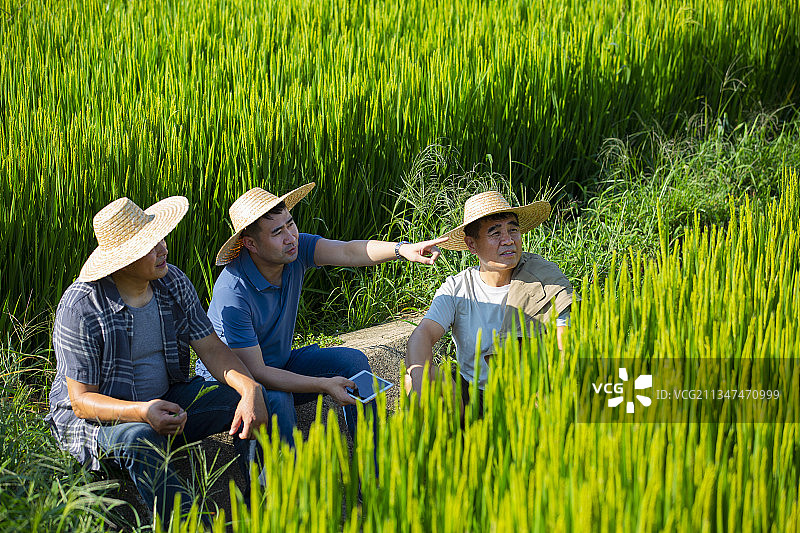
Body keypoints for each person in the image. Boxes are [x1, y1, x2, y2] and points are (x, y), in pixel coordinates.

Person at [46, 196, 269, 522]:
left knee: (249, 400)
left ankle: (263, 511)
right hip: (101, 423)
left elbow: (212, 349)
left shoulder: (172, 281)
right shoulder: (81, 307)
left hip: (166, 399)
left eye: (161, 237)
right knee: (142, 438)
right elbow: (81, 402)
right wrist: (141, 412)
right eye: (151, 245)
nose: (163, 248)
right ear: (122, 259)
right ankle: (192, 527)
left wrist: (249, 388)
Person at [195, 183, 444, 445]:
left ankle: (373, 468)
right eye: (277, 232)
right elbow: (257, 372)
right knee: (279, 399)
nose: (290, 237)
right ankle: (286, 482)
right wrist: (323, 384)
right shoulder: (233, 291)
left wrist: (402, 249)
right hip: (236, 383)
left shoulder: (295, 250)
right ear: (251, 244)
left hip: (279, 363)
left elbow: (348, 251)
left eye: (290, 224)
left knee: (353, 362)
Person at [404, 191, 574, 412]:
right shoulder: (458, 288)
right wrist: (419, 380)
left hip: (529, 394)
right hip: (473, 393)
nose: (509, 240)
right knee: (420, 379)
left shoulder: (543, 278)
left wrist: (551, 385)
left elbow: (565, 339)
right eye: (495, 233)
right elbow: (423, 334)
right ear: (472, 245)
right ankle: (453, 442)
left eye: (513, 230)